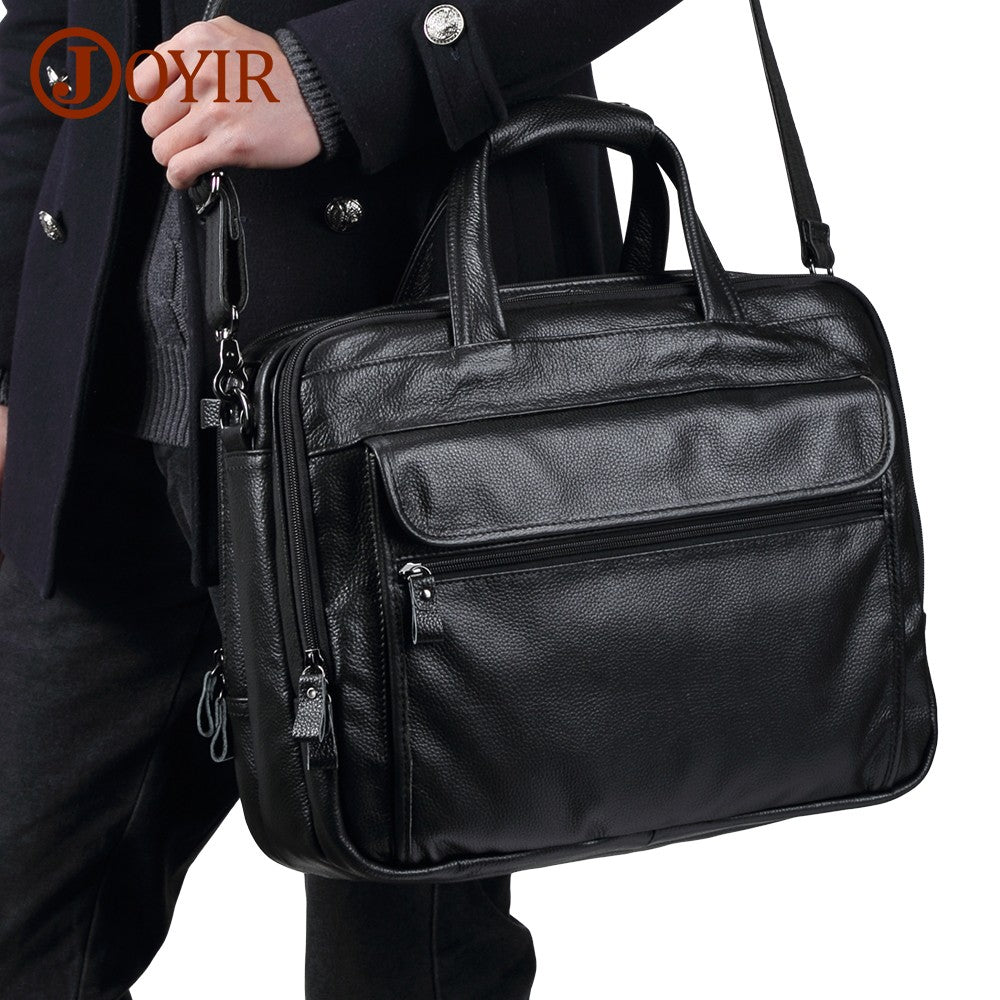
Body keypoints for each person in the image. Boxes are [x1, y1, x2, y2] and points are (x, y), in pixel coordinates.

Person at [0, 1, 684, 996]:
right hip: (105, 402)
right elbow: (51, 31)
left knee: (404, 968)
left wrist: (336, 75)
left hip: (418, 379)